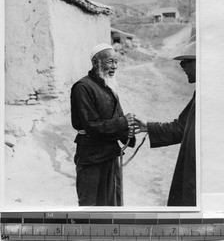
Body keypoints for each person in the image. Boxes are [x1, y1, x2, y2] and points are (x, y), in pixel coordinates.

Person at [70, 43, 136, 206]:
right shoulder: (82, 87)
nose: (114, 67)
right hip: (91, 156)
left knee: (112, 202)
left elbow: (118, 116)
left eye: (116, 62)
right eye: (110, 62)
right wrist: (123, 122)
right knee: (91, 204)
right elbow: (91, 125)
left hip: (110, 153)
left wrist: (129, 131)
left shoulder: (109, 85)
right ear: (95, 63)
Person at [135, 41, 196, 206]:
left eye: (186, 61)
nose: (182, 66)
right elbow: (181, 128)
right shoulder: (200, 94)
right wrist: (147, 126)